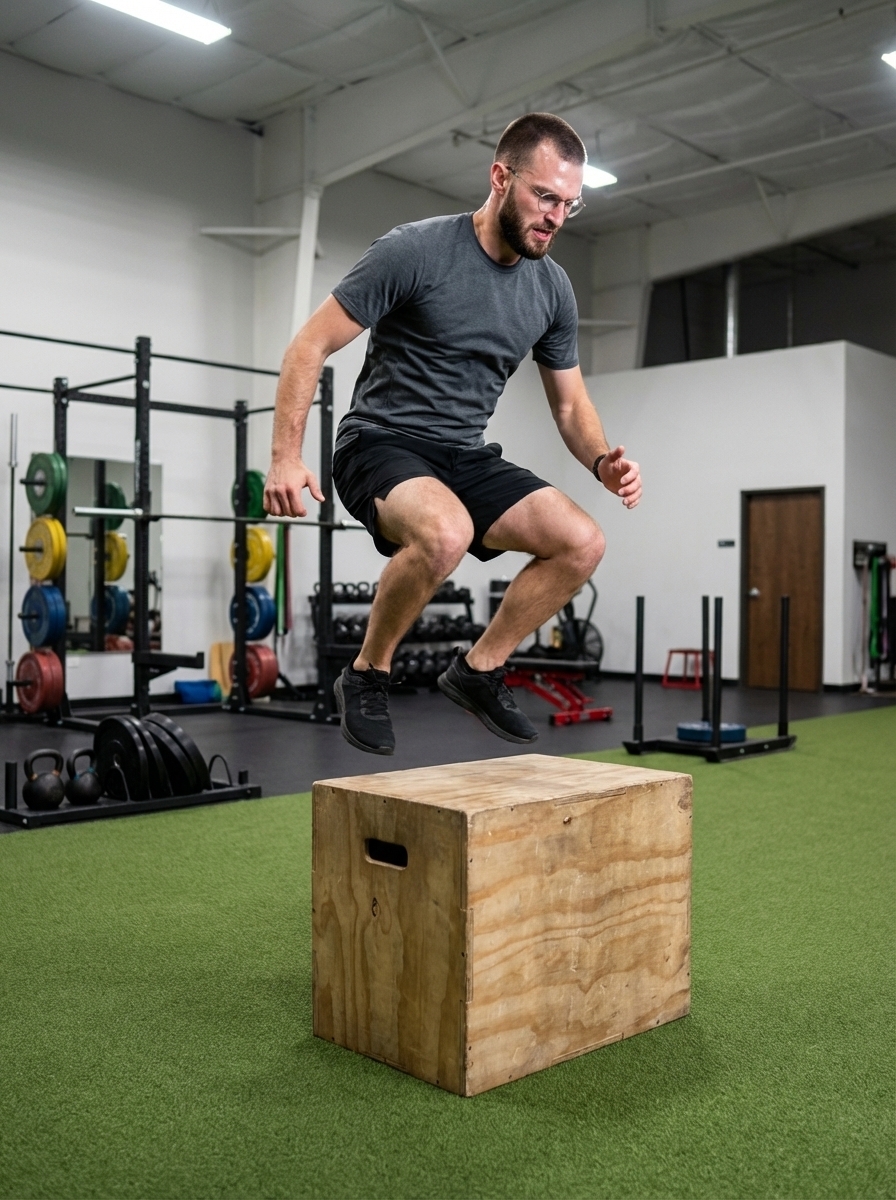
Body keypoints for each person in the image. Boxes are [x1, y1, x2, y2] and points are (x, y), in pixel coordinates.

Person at [264, 112, 641, 756]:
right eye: (544, 196)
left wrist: (602, 460)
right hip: (378, 442)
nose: (554, 216)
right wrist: (284, 458)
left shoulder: (551, 289)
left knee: (582, 542)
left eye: (568, 205)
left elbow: (571, 404)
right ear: (500, 177)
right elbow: (310, 344)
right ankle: (366, 674)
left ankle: (480, 669)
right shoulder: (415, 249)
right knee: (447, 532)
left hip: (461, 453)